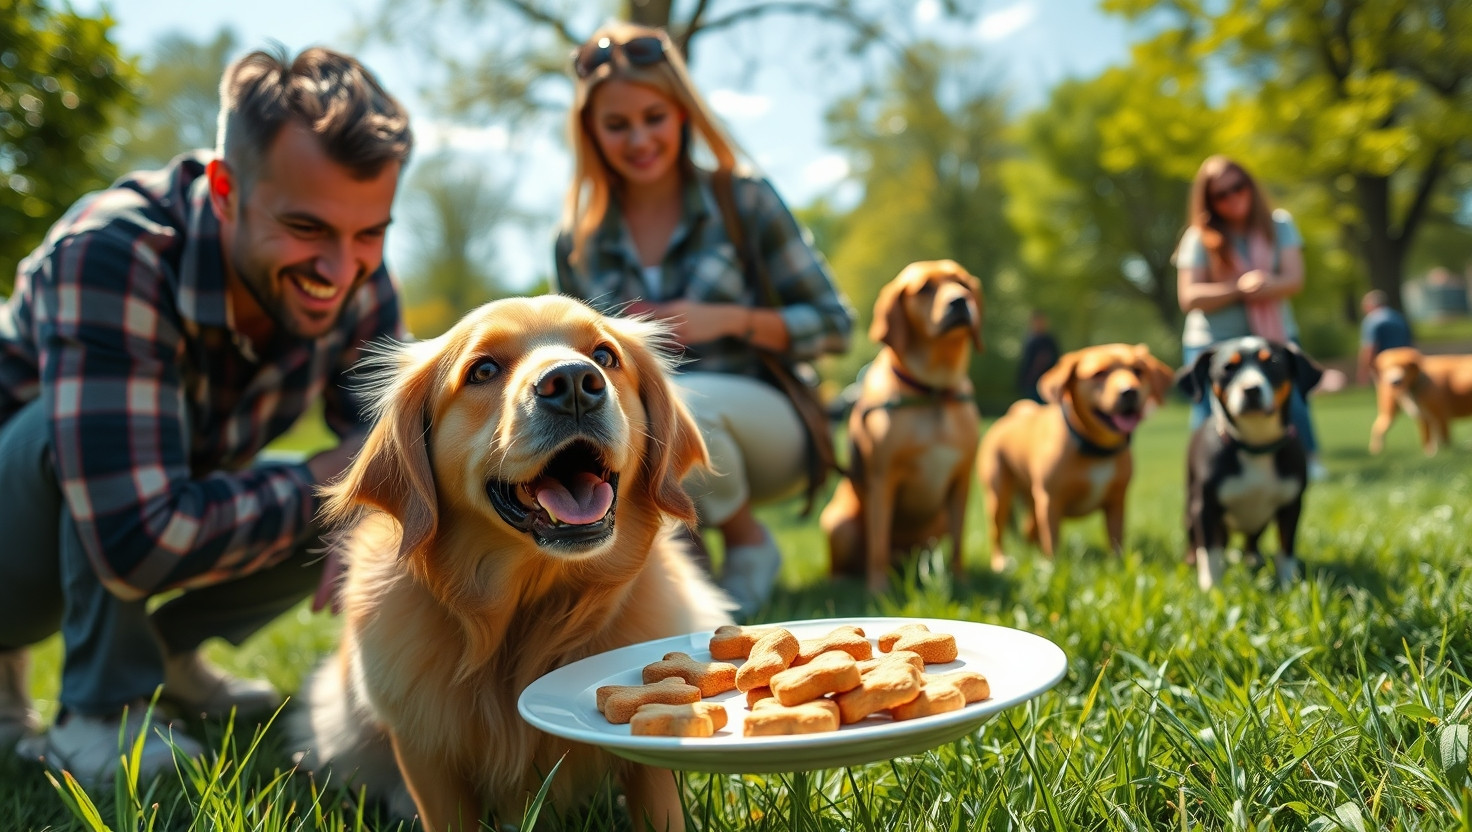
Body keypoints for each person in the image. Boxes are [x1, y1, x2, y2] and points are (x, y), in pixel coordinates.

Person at [0, 46, 412, 783]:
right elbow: (134, 536)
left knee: (375, 472)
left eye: (370, 233)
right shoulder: (114, 254)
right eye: (307, 227)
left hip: (148, 508)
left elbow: (401, 451)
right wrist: (329, 478)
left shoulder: (356, 277)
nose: (340, 270)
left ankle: (161, 659)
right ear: (225, 189)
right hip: (18, 549)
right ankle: (102, 710)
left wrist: (367, 489)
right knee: (80, 441)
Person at [552, 23, 854, 618]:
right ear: (591, 132)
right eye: (617, 125)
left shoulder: (744, 202)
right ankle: (680, 572)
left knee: (681, 403)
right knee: (637, 412)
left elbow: (834, 324)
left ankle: (748, 542)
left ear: (683, 114)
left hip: (771, 427)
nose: (639, 138)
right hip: (645, 441)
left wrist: (725, 320)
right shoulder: (577, 245)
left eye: (654, 117)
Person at [1175, 155, 1327, 481]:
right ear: (1208, 200)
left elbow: (1294, 280)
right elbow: (1189, 297)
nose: (1233, 197)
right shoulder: (1199, 237)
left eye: (1238, 187)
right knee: (1207, 414)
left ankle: (1305, 462)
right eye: (1221, 194)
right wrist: (1238, 288)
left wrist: (1268, 284)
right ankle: (1205, 474)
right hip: (1214, 342)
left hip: (1273, 335)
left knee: (1293, 404)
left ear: (1250, 186)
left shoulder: (1279, 224)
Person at [1357, 289, 1413, 385]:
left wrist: (1363, 372)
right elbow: (1410, 342)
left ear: (1369, 306)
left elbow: (1369, 348)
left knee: (1387, 395)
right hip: (1404, 362)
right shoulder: (1398, 317)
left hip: (1385, 364)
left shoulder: (1371, 320)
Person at [1017, 310, 1060, 403]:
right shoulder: (1030, 338)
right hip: (1030, 381)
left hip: (1044, 378)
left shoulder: (1048, 340)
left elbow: (1047, 358)